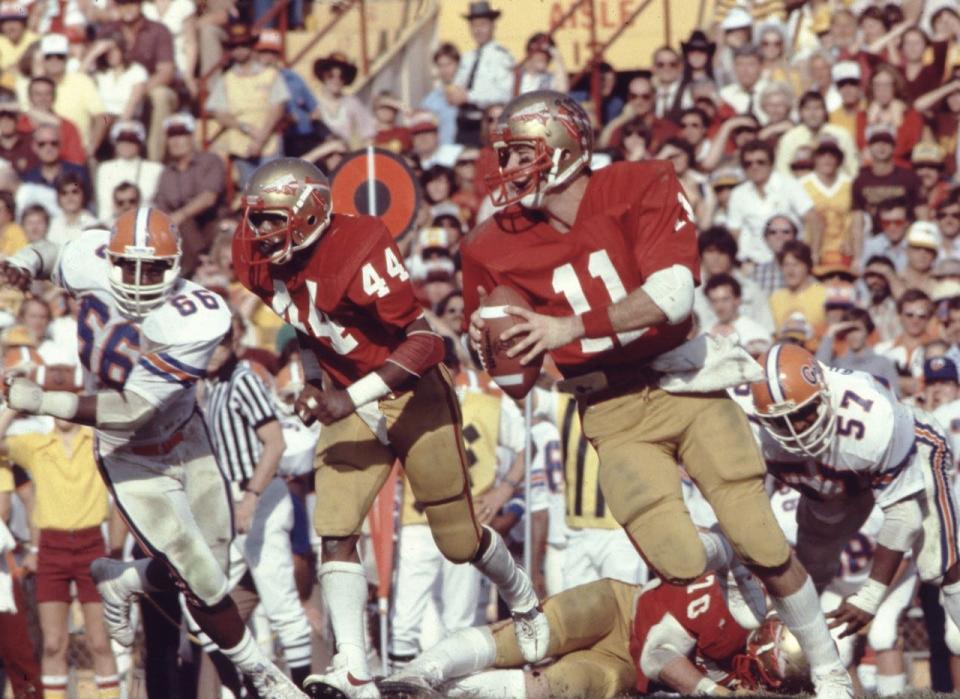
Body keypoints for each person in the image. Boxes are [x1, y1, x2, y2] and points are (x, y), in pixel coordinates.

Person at [460, 90, 853, 697]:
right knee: (678, 562)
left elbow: (672, 296)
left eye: (520, 154)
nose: (507, 170)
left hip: (684, 378)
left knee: (764, 539)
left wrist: (570, 327)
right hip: (609, 407)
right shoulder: (491, 244)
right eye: (505, 155)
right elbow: (518, 374)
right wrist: (490, 348)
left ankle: (828, 669)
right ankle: (729, 551)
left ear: (566, 150)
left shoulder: (638, 183)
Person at [232, 158, 546, 698]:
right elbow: (309, 327)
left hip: (410, 394)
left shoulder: (359, 245)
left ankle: (521, 596)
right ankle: (353, 664)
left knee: (458, 541)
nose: (258, 233)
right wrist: (312, 380)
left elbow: (428, 344)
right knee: (335, 527)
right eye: (256, 220)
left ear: (307, 214)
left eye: (270, 220)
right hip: (346, 398)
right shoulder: (256, 258)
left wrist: (344, 397)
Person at [0, 207, 305, 698]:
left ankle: (123, 580)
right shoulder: (92, 254)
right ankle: (266, 677)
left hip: (183, 435)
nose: (140, 280)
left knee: (214, 563)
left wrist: (44, 401)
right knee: (203, 577)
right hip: (128, 454)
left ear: (178, 265)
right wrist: (28, 259)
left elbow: (131, 407)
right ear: (111, 258)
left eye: (155, 268)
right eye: (128, 266)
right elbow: (57, 254)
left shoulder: (198, 316)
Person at [749, 344, 960, 658]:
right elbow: (747, 507)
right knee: (813, 563)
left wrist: (870, 596)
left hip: (909, 448)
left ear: (824, 393)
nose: (799, 429)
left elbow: (905, 516)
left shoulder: (872, 416)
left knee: (939, 560)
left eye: (804, 413)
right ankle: (789, 654)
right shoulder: (749, 428)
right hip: (831, 471)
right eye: (784, 421)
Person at [382, 570, 801, 698]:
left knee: (554, 688)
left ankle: (421, 693)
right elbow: (661, 655)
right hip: (621, 607)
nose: (756, 677)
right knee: (529, 639)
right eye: (763, 668)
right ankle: (418, 672)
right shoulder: (742, 594)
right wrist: (713, 692)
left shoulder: (742, 677)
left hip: (627, 667)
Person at [198, 315, 312, 690]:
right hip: (230, 503)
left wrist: (250, 499)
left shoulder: (242, 380)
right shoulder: (213, 385)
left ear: (233, 342)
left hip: (256, 498)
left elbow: (275, 443)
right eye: (207, 343)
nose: (212, 352)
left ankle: (301, 690)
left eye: (219, 343)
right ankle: (246, 690)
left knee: (283, 611)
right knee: (199, 606)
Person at [0, 395, 120, 699]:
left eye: (67, 397)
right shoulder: (36, 444)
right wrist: (14, 406)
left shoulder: (95, 439)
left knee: (99, 641)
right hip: (52, 547)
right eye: (54, 398)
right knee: (53, 643)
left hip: (92, 543)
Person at [204, 23, 289, 187]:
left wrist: (261, 139)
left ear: (251, 46)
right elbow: (218, 112)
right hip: (241, 143)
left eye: (244, 45)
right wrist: (245, 128)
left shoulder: (270, 74)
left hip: (268, 141)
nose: (240, 50)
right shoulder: (227, 79)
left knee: (274, 190)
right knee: (249, 193)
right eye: (235, 46)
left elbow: (277, 108)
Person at [153, 113, 225, 278]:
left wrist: (180, 215)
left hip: (210, 224)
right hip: (183, 233)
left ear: (192, 137)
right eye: (171, 136)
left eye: (181, 135)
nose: (176, 141)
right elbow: (162, 207)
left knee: (181, 220)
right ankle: (194, 268)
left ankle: (194, 268)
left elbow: (209, 197)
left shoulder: (210, 161)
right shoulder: (167, 172)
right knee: (176, 224)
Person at [448, 1, 514, 146]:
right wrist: (453, 93)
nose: (478, 30)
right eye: (474, 25)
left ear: (493, 26)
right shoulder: (467, 57)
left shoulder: (502, 56)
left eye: (483, 24)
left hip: (485, 123)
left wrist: (469, 96)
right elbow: (457, 86)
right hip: (463, 124)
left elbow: (505, 93)